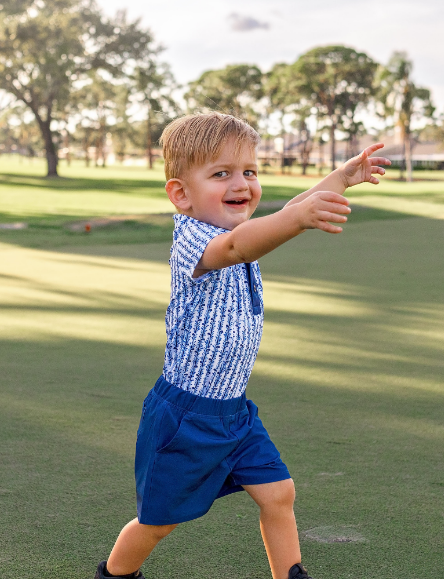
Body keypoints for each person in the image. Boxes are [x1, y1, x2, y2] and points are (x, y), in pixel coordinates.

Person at [95, 112, 390, 579]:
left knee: (278, 492)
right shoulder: (192, 238)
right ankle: (114, 575)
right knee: (159, 523)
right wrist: (296, 219)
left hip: (234, 413)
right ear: (181, 194)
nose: (242, 184)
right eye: (221, 174)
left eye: (249, 172)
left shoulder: (237, 228)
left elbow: (284, 210)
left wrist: (341, 178)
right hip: (185, 418)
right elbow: (239, 248)